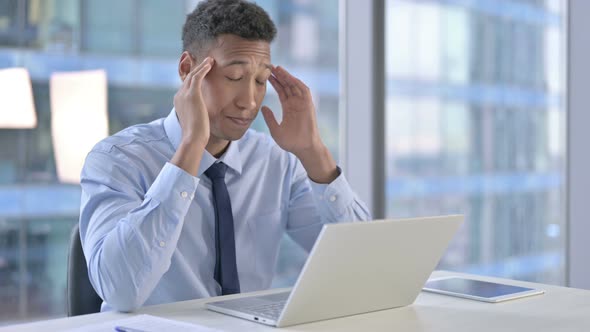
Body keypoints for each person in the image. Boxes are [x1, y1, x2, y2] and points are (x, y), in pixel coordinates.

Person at [79, 0, 371, 312]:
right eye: (234, 77)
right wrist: (191, 147)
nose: (249, 102)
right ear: (188, 70)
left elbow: (364, 265)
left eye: (260, 81)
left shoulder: (276, 162)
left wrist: (314, 152)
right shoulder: (118, 159)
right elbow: (121, 291)